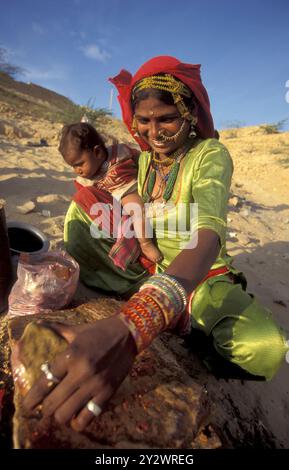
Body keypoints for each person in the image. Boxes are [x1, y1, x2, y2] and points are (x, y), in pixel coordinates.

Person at [23, 56, 288, 432]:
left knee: (263, 350)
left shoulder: (208, 155)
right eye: (144, 121)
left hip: (198, 274)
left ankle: (181, 321)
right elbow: (116, 193)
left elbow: (208, 234)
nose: (154, 132)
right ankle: (156, 304)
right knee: (81, 214)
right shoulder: (143, 160)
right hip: (145, 264)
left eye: (166, 118)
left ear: (189, 113)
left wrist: (138, 322)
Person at [59, 122, 163, 274]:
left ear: (98, 152)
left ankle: (145, 242)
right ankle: (141, 243)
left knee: (139, 208)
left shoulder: (118, 159)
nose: (77, 170)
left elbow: (140, 160)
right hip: (119, 202)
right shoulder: (89, 175)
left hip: (135, 188)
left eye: (80, 164)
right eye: (73, 167)